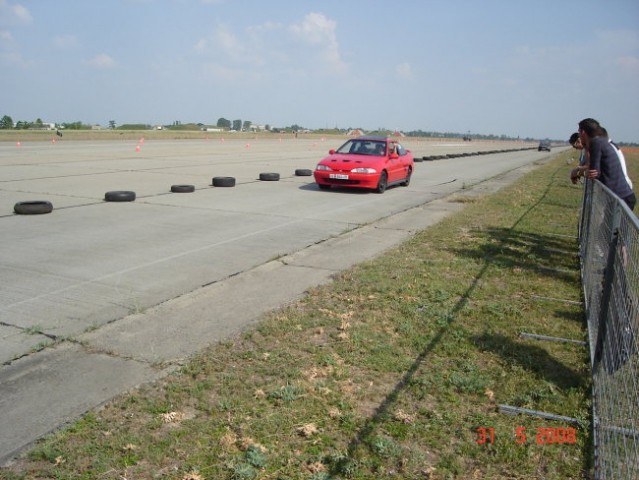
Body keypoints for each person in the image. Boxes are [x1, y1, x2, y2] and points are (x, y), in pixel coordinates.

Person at [578, 118, 636, 210]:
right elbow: (594, 170)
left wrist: (587, 172)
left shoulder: (595, 143)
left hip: (621, 198)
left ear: (583, 132)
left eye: (579, 132)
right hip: (619, 197)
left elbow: (594, 172)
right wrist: (585, 146)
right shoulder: (600, 141)